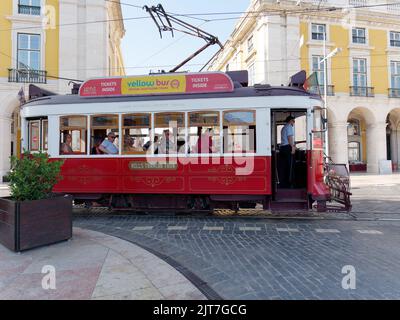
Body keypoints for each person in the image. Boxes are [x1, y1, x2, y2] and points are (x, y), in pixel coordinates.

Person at [280, 115, 296, 188]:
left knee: (284, 166)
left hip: (282, 148)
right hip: (287, 147)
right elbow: (289, 138)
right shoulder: (289, 126)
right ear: (290, 121)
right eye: (293, 121)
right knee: (290, 166)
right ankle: (290, 183)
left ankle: (283, 182)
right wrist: (293, 147)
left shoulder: (283, 128)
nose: (294, 123)